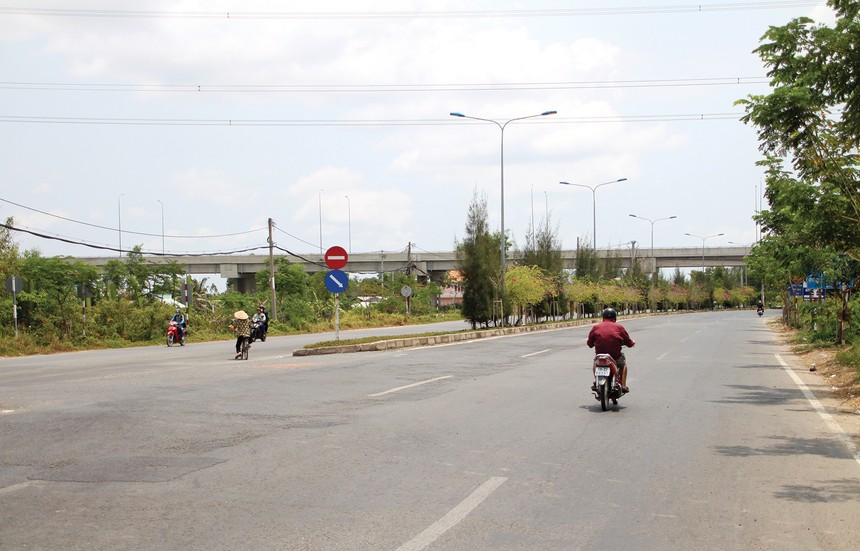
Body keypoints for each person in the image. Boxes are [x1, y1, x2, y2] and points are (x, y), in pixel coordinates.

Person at [587, 307, 635, 393]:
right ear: (614, 317)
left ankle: (596, 381)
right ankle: (623, 385)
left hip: (600, 357)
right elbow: (628, 341)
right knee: (623, 365)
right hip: (615, 356)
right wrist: (632, 343)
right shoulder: (619, 327)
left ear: (603, 317)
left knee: (595, 364)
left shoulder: (596, 327)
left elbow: (590, 344)